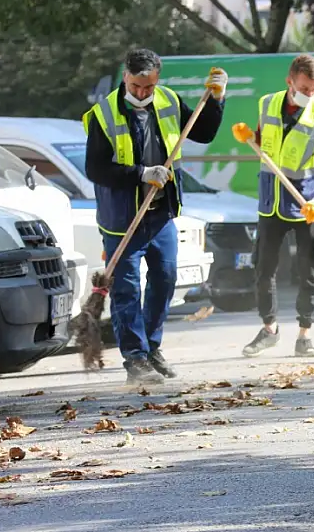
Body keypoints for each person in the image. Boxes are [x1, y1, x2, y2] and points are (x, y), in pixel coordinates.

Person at [83, 48, 227, 385]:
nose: (142, 93)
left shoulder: (168, 101)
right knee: (127, 288)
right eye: (135, 86)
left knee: (164, 279)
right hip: (122, 218)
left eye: (148, 87)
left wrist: (217, 99)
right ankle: (134, 358)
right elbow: (96, 168)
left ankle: (151, 347)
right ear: (125, 77)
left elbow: (203, 132)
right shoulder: (103, 115)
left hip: (160, 213)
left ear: (157, 80)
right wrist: (142, 172)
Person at [232, 54, 314, 358]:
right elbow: (265, 144)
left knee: (309, 269)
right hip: (271, 202)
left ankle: (305, 335)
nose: (309, 95)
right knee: (263, 267)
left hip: (307, 204)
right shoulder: (267, 104)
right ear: (289, 81)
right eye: (304, 88)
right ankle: (269, 330)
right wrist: (250, 137)